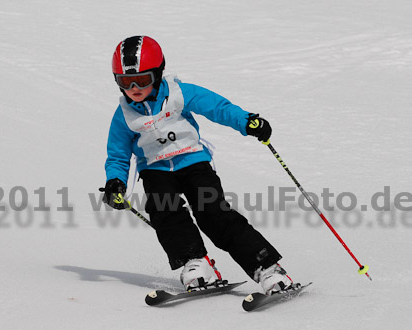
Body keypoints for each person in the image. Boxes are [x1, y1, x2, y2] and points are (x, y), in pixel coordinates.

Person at [102, 35, 293, 294]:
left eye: (143, 79)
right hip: (155, 170)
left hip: (193, 161)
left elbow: (217, 107)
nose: (134, 87)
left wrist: (247, 121)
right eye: (125, 81)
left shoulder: (180, 93)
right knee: (165, 213)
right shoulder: (124, 115)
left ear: (158, 74)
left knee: (213, 214)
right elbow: (118, 155)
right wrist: (116, 182)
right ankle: (195, 263)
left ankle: (268, 269)